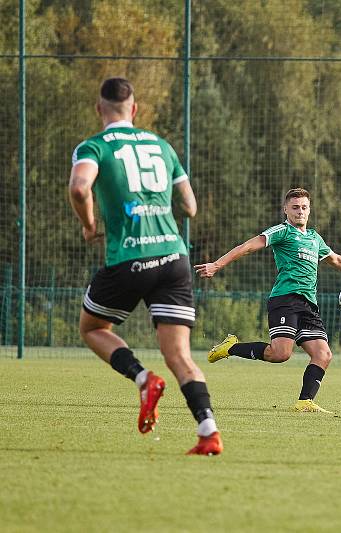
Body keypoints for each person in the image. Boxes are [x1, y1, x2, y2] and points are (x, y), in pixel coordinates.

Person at [69, 77, 222, 455]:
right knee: (180, 356)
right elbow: (190, 206)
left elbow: (78, 187)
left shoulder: (94, 146)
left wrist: (90, 225)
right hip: (174, 258)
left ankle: (141, 378)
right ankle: (208, 431)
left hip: (129, 258)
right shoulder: (161, 145)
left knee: (92, 327)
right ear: (134, 110)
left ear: (99, 109)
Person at [194, 188, 341, 413]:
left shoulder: (314, 238)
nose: (300, 211)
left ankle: (304, 402)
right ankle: (231, 347)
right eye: (295, 207)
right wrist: (216, 265)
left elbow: (336, 259)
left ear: (309, 210)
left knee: (323, 354)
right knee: (280, 354)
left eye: (304, 207)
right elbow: (248, 247)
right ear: (285, 209)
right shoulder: (282, 231)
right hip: (285, 299)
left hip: (309, 305)